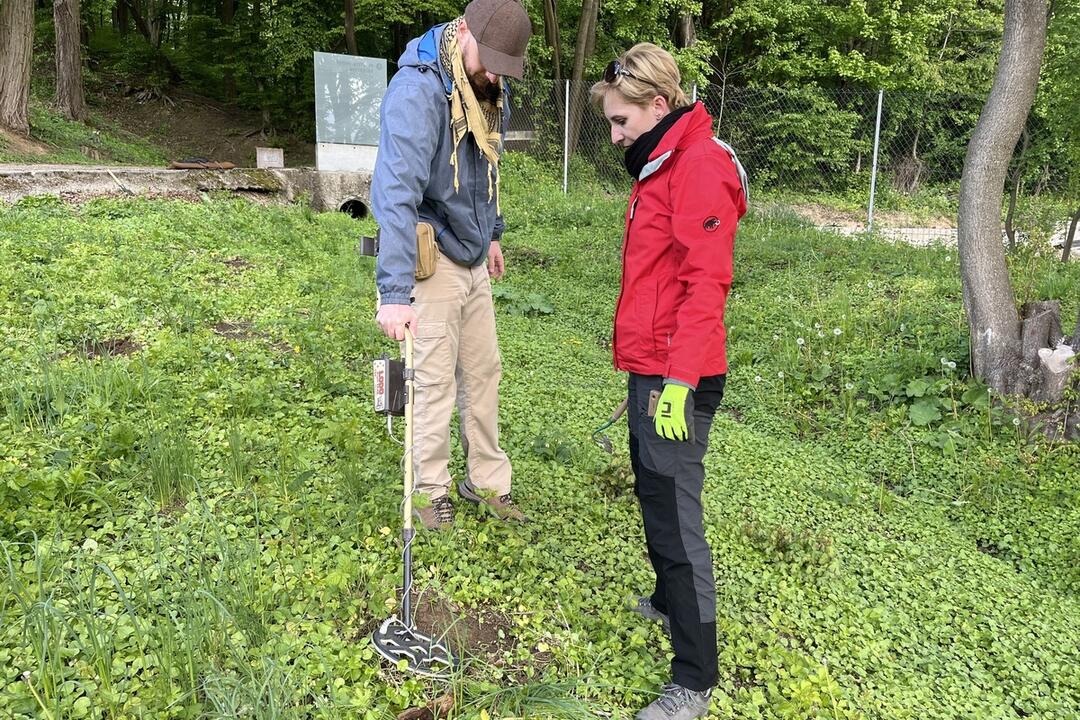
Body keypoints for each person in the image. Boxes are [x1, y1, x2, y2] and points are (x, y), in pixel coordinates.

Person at [590, 43, 748, 720]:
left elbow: (705, 282)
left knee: (678, 521)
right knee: (652, 489)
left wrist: (680, 381)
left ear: (659, 106)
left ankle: (695, 680)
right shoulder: (660, 162)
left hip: (679, 373)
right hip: (651, 363)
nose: (617, 135)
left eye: (623, 122)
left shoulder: (698, 166)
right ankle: (663, 601)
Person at [371, 0, 532, 530]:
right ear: (462, 31)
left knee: (484, 373)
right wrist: (393, 293)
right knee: (433, 381)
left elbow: (487, 166)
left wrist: (492, 236)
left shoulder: (488, 86)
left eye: (503, 69)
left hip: (472, 253)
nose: (493, 76)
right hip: (433, 252)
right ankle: (428, 492)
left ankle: (485, 481)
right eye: (487, 62)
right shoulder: (419, 91)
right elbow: (395, 193)